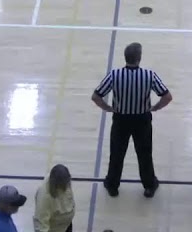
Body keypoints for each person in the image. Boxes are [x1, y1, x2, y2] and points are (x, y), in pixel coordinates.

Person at [92, 42, 172, 198]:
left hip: (121, 120)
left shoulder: (114, 75)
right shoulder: (149, 75)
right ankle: (149, 186)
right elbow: (167, 97)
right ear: (139, 58)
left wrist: (108, 108)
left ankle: (112, 185)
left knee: (117, 153)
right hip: (142, 120)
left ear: (125, 57)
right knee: (144, 154)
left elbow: (96, 97)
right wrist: (155, 107)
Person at [33, 165, 73, 232]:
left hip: (65, 225)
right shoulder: (44, 197)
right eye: (63, 184)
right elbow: (41, 225)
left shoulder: (65, 181)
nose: (67, 185)